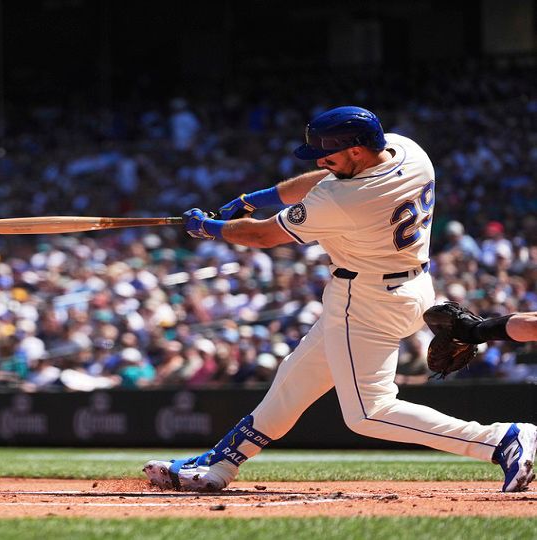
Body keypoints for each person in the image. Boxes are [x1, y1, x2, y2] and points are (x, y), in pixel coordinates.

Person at [143, 106, 536, 493]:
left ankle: (500, 440)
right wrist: (255, 198)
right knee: (296, 378)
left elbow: (263, 236)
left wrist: (210, 228)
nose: (322, 161)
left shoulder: (344, 199)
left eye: (329, 153)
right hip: (410, 286)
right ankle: (222, 461)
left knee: (370, 412)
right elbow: (323, 178)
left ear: (356, 151)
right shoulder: (408, 151)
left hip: (365, 299)